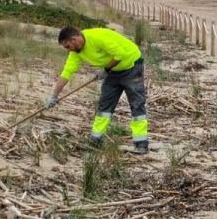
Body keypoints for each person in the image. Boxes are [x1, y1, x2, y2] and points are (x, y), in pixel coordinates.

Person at [46, 26, 149, 154]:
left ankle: (141, 144)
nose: (68, 50)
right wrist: (54, 95)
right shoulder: (76, 52)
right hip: (113, 71)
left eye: (67, 46)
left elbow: (120, 54)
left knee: (137, 104)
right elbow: (67, 72)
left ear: (74, 39)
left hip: (132, 65)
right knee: (104, 106)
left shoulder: (98, 37)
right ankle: (96, 139)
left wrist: (105, 69)